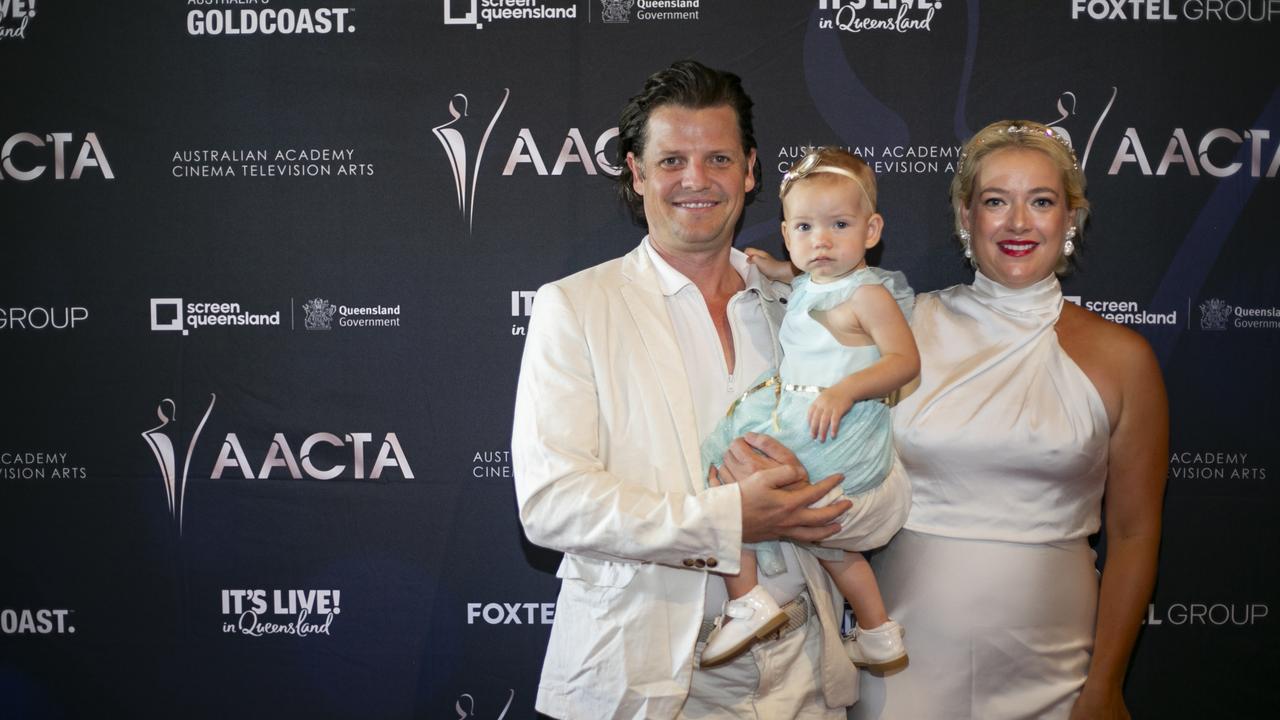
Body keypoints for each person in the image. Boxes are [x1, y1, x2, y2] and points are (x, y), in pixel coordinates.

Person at [511, 61, 912, 719]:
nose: (695, 179)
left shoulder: (808, 307)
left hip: (803, 681)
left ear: (750, 172)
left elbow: (889, 495)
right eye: (671, 160)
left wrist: (814, 505)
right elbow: (553, 505)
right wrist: (731, 520)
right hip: (646, 681)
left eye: (718, 158)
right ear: (637, 175)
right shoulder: (576, 307)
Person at [848, 120, 1169, 720]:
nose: (1018, 223)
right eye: (996, 201)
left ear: (1070, 219)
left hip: (1058, 665)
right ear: (966, 218)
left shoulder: (1126, 359)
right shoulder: (902, 330)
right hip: (905, 657)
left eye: (1041, 202)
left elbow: (1133, 534)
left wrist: (1105, 683)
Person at [697, 148, 918, 672]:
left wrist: (846, 390)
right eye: (803, 228)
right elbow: (799, 284)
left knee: (724, 473)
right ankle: (878, 631)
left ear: (871, 230)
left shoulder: (868, 295)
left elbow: (905, 361)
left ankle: (747, 600)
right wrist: (773, 268)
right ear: (786, 233)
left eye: (838, 224)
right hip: (808, 419)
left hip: (832, 425)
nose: (819, 241)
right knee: (827, 541)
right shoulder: (809, 283)